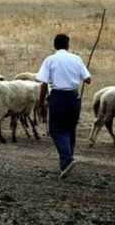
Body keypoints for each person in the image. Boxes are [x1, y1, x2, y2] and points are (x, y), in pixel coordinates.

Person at [36, 34, 91, 179]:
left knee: (57, 130)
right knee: (69, 129)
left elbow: (43, 83)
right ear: (68, 45)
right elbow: (88, 79)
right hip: (74, 98)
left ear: (55, 46)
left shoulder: (50, 60)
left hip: (58, 98)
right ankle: (66, 165)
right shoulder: (76, 59)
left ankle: (67, 161)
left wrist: (40, 103)